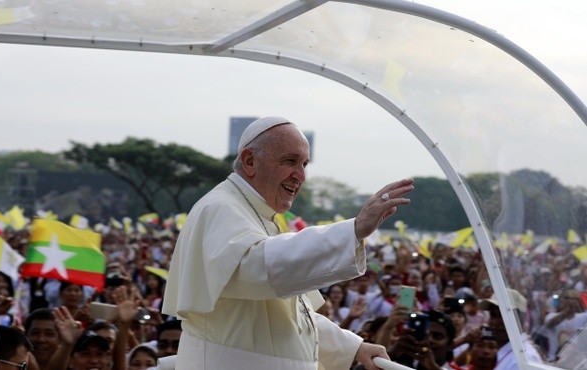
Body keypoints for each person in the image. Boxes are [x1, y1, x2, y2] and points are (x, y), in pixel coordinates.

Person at [162, 116, 414, 369]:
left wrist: (352, 347)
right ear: (250, 161)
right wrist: (354, 230)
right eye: (290, 162)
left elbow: (287, 318)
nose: (300, 175)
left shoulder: (260, 215)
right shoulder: (220, 208)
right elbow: (257, 269)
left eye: (304, 164)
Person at [478, 289, 543, 370]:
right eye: (493, 315)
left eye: (502, 316)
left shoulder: (524, 359)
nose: (495, 322)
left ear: (519, 319)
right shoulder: (512, 354)